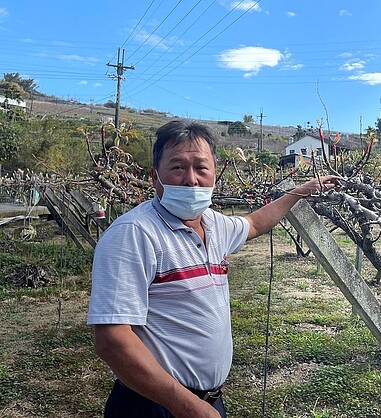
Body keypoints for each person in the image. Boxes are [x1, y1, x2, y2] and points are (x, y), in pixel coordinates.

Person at [87, 119, 337, 418]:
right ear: (155, 177)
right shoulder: (133, 233)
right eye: (178, 167)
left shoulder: (214, 223)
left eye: (201, 168)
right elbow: (112, 339)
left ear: (214, 175)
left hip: (205, 401)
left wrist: (300, 191)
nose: (191, 179)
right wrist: (188, 406)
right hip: (155, 404)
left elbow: (255, 222)